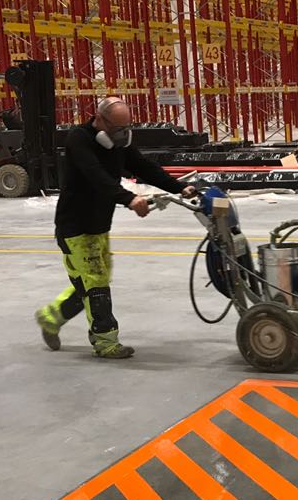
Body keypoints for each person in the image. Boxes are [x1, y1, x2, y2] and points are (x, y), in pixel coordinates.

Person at [35, 96, 194, 359]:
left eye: (126, 128)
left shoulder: (119, 144)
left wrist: (179, 187)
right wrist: (129, 199)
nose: (122, 134)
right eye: (117, 128)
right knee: (96, 283)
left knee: (92, 281)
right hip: (74, 226)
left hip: (98, 225)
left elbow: (144, 167)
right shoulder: (79, 139)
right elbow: (95, 176)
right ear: (99, 120)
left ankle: (51, 317)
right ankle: (105, 341)